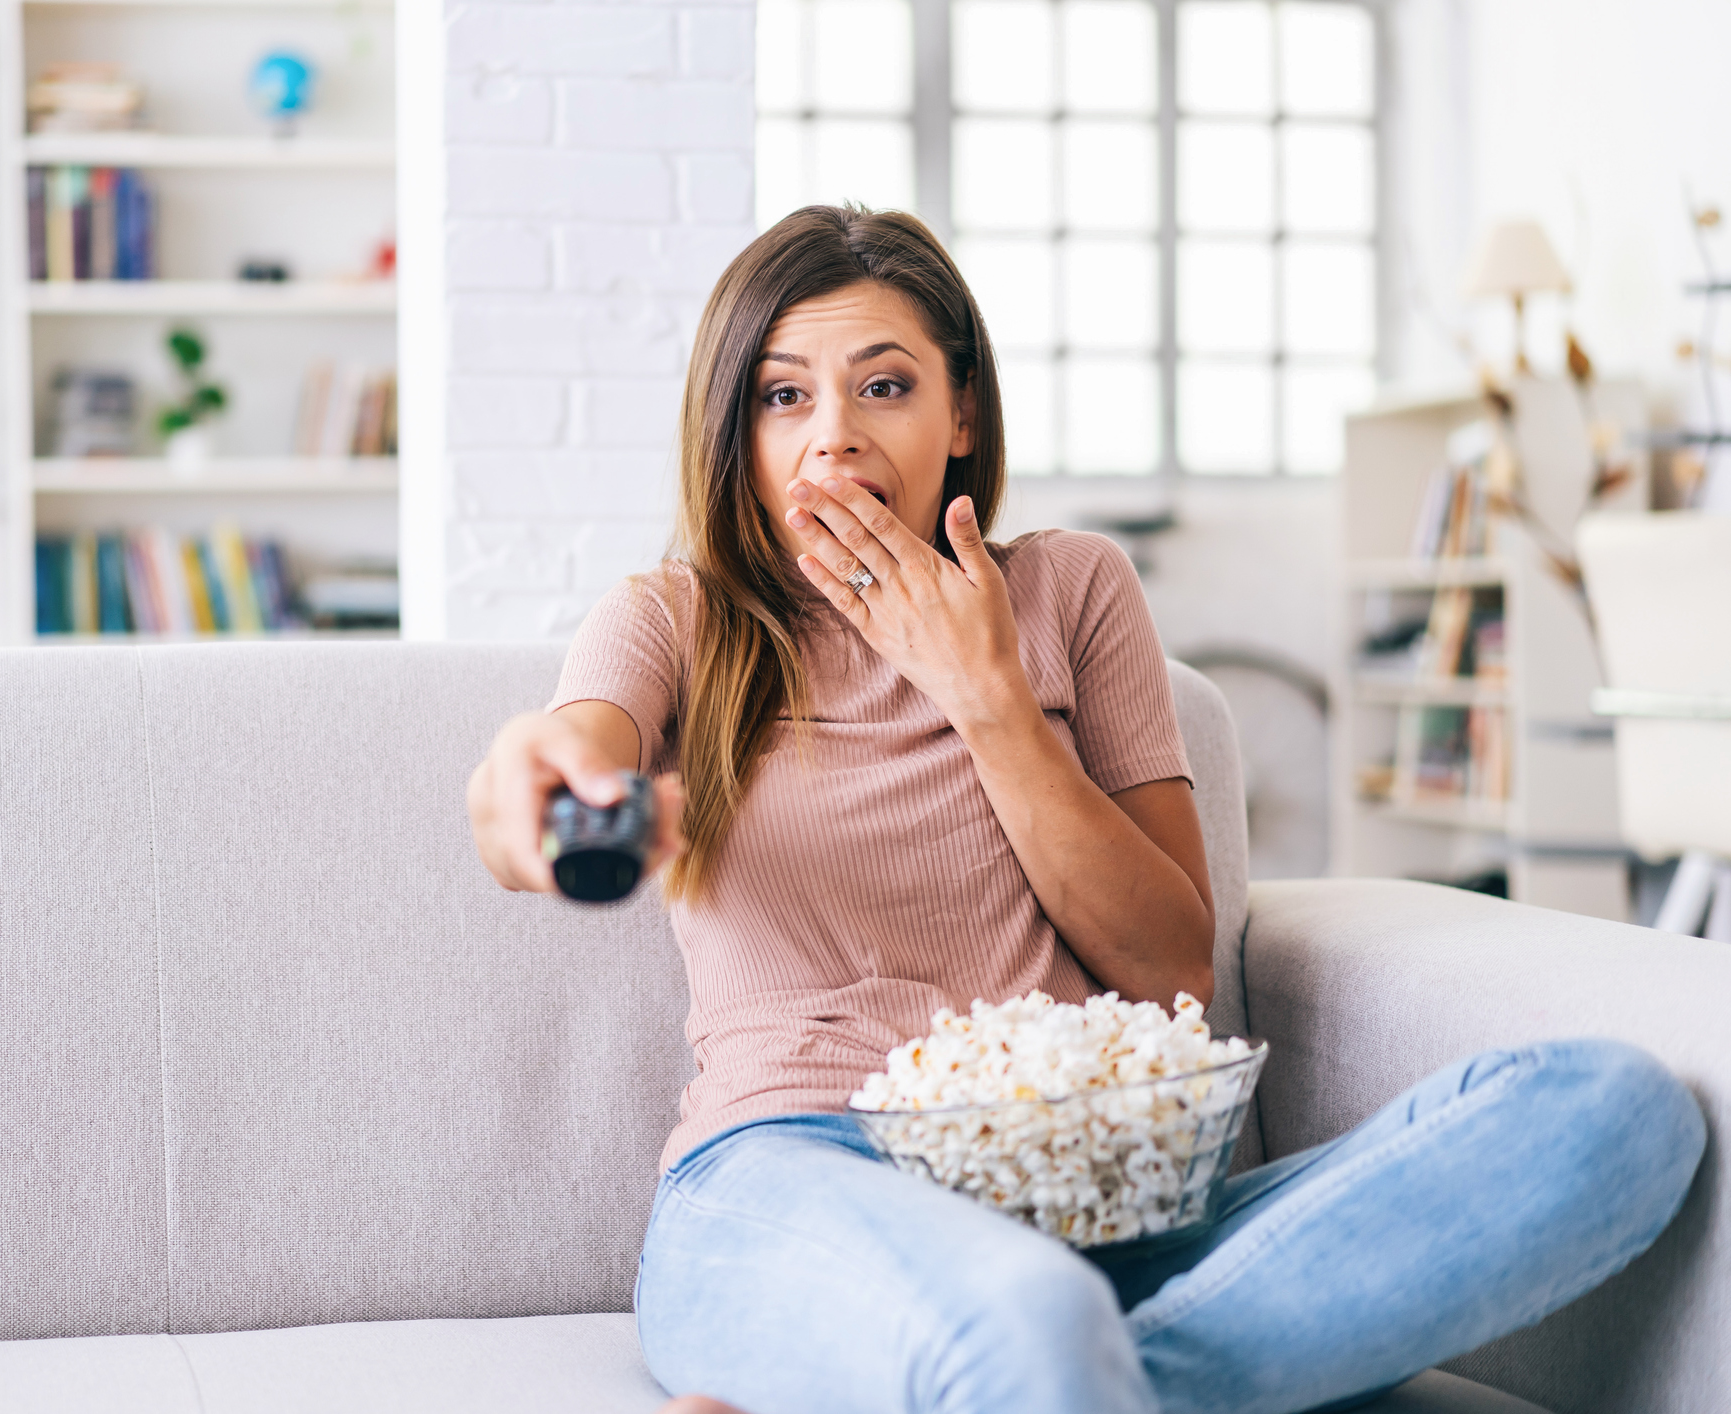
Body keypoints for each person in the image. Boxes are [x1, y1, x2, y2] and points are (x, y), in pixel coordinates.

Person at [465, 205, 1704, 1414]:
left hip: (1093, 1195)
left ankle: (1050, 1379)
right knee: (1032, 1319)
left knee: (1615, 1110)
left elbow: (1168, 968)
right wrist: (544, 778)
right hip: (792, 1177)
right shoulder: (677, 620)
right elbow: (569, 748)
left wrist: (986, 694)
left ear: (960, 411)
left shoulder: (1072, 592)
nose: (831, 437)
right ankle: (1038, 1364)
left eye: (883, 386)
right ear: (736, 434)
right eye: (784, 396)